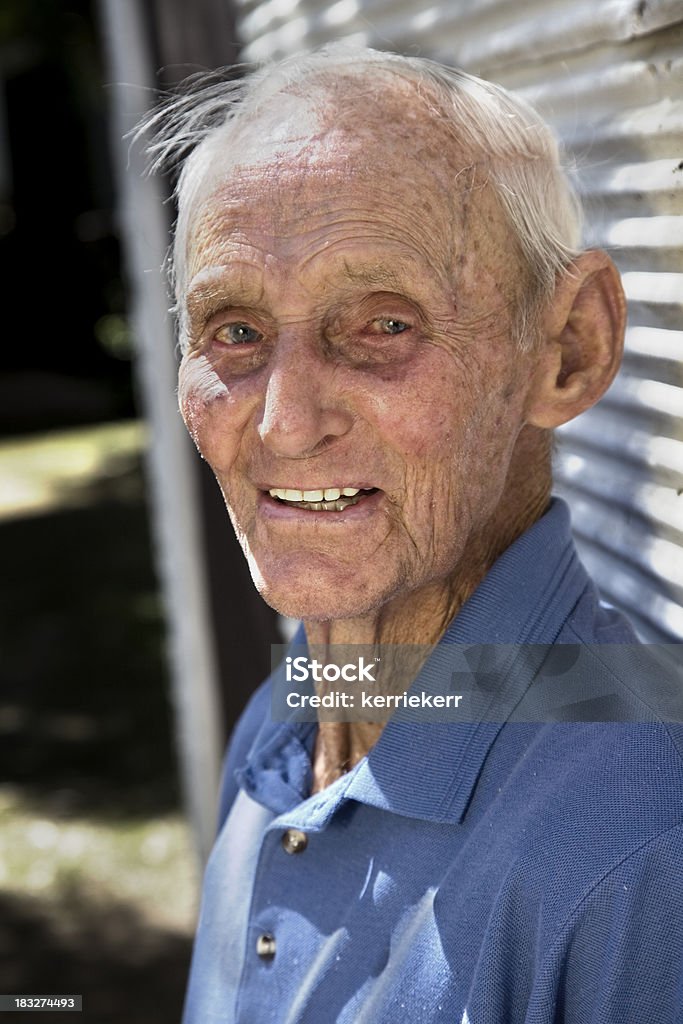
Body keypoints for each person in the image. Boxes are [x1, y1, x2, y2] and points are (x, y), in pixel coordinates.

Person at [144, 45, 683, 1023]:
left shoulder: (645, 848)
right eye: (233, 331)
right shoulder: (291, 712)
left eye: (383, 325)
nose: (282, 423)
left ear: (567, 349)